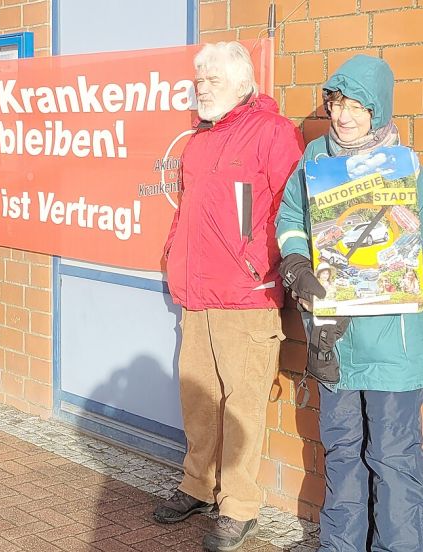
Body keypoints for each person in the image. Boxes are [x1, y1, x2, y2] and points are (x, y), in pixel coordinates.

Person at [154, 42, 303, 552]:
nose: (202, 86)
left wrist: (270, 269)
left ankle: (239, 507)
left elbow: (293, 211)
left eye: (213, 78)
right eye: (199, 79)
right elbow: (188, 212)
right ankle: (197, 485)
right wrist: (173, 253)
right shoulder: (199, 141)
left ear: (243, 84)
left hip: (246, 295)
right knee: (198, 396)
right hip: (197, 294)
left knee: (243, 406)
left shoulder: (273, 133)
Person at [276, 55, 423, 552]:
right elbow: (290, 216)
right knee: (341, 453)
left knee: (393, 457)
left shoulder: (409, 171)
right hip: (333, 337)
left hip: (393, 343)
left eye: (358, 107)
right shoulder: (315, 159)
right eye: (338, 104)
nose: (344, 117)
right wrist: (296, 262)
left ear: (379, 110)